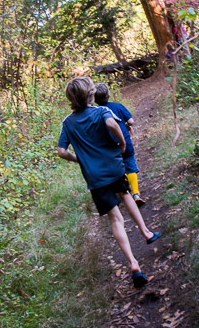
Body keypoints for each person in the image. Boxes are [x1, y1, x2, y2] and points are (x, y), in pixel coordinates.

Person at [57, 76, 160, 288]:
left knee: (115, 219)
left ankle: (133, 264)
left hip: (95, 177)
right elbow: (112, 124)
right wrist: (122, 143)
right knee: (126, 194)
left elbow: (61, 151)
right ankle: (146, 232)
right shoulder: (101, 111)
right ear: (91, 94)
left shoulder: (67, 122)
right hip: (114, 167)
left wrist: (79, 158)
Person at [94, 82, 145, 207]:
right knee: (130, 163)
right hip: (125, 142)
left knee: (118, 166)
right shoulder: (118, 106)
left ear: (94, 99)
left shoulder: (95, 113)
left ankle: (123, 187)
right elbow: (131, 121)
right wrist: (126, 125)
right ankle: (136, 194)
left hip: (109, 147)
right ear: (109, 94)